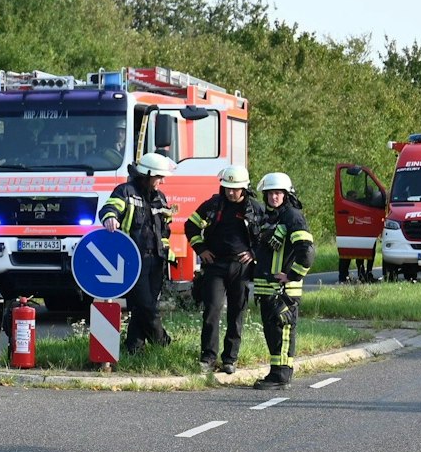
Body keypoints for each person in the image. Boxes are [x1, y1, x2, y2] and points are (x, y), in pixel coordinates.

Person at [186, 166, 264, 374]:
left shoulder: (255, 209)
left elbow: (266, 236)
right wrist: (200, 249)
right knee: (212, 311)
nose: (231, 192)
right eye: (228, 187)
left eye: (235, 188)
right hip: (215, 266)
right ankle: (208, 358)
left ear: (244, 188)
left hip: (241, 267)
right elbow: (190, 225)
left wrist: (254, 253)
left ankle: (230, 359)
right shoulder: (213, 205)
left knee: (237, 312)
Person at [100, 152, 178, 356]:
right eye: (159, 177)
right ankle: (163, 342)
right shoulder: (125, 191)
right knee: (146, 305)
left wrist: (167, 254)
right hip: (133, 260)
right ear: (148, 174)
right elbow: (110, 208)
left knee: (143, 306)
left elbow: (165, 229)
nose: (162, 181)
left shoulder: (160, 197)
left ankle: (135, 348)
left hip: (157, 261)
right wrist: (110, 218)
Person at [249, 171, 315, 389]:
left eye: (278, 193)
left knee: (283, 331)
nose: (274, 197)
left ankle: (283, 376)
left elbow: (306, 251)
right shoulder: (269, 218)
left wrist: (292, 276)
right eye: (270, 193)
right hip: (267, 289)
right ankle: (275, 372)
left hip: (284, 290)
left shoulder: (292, 217)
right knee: (272, 333)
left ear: (286, 195)